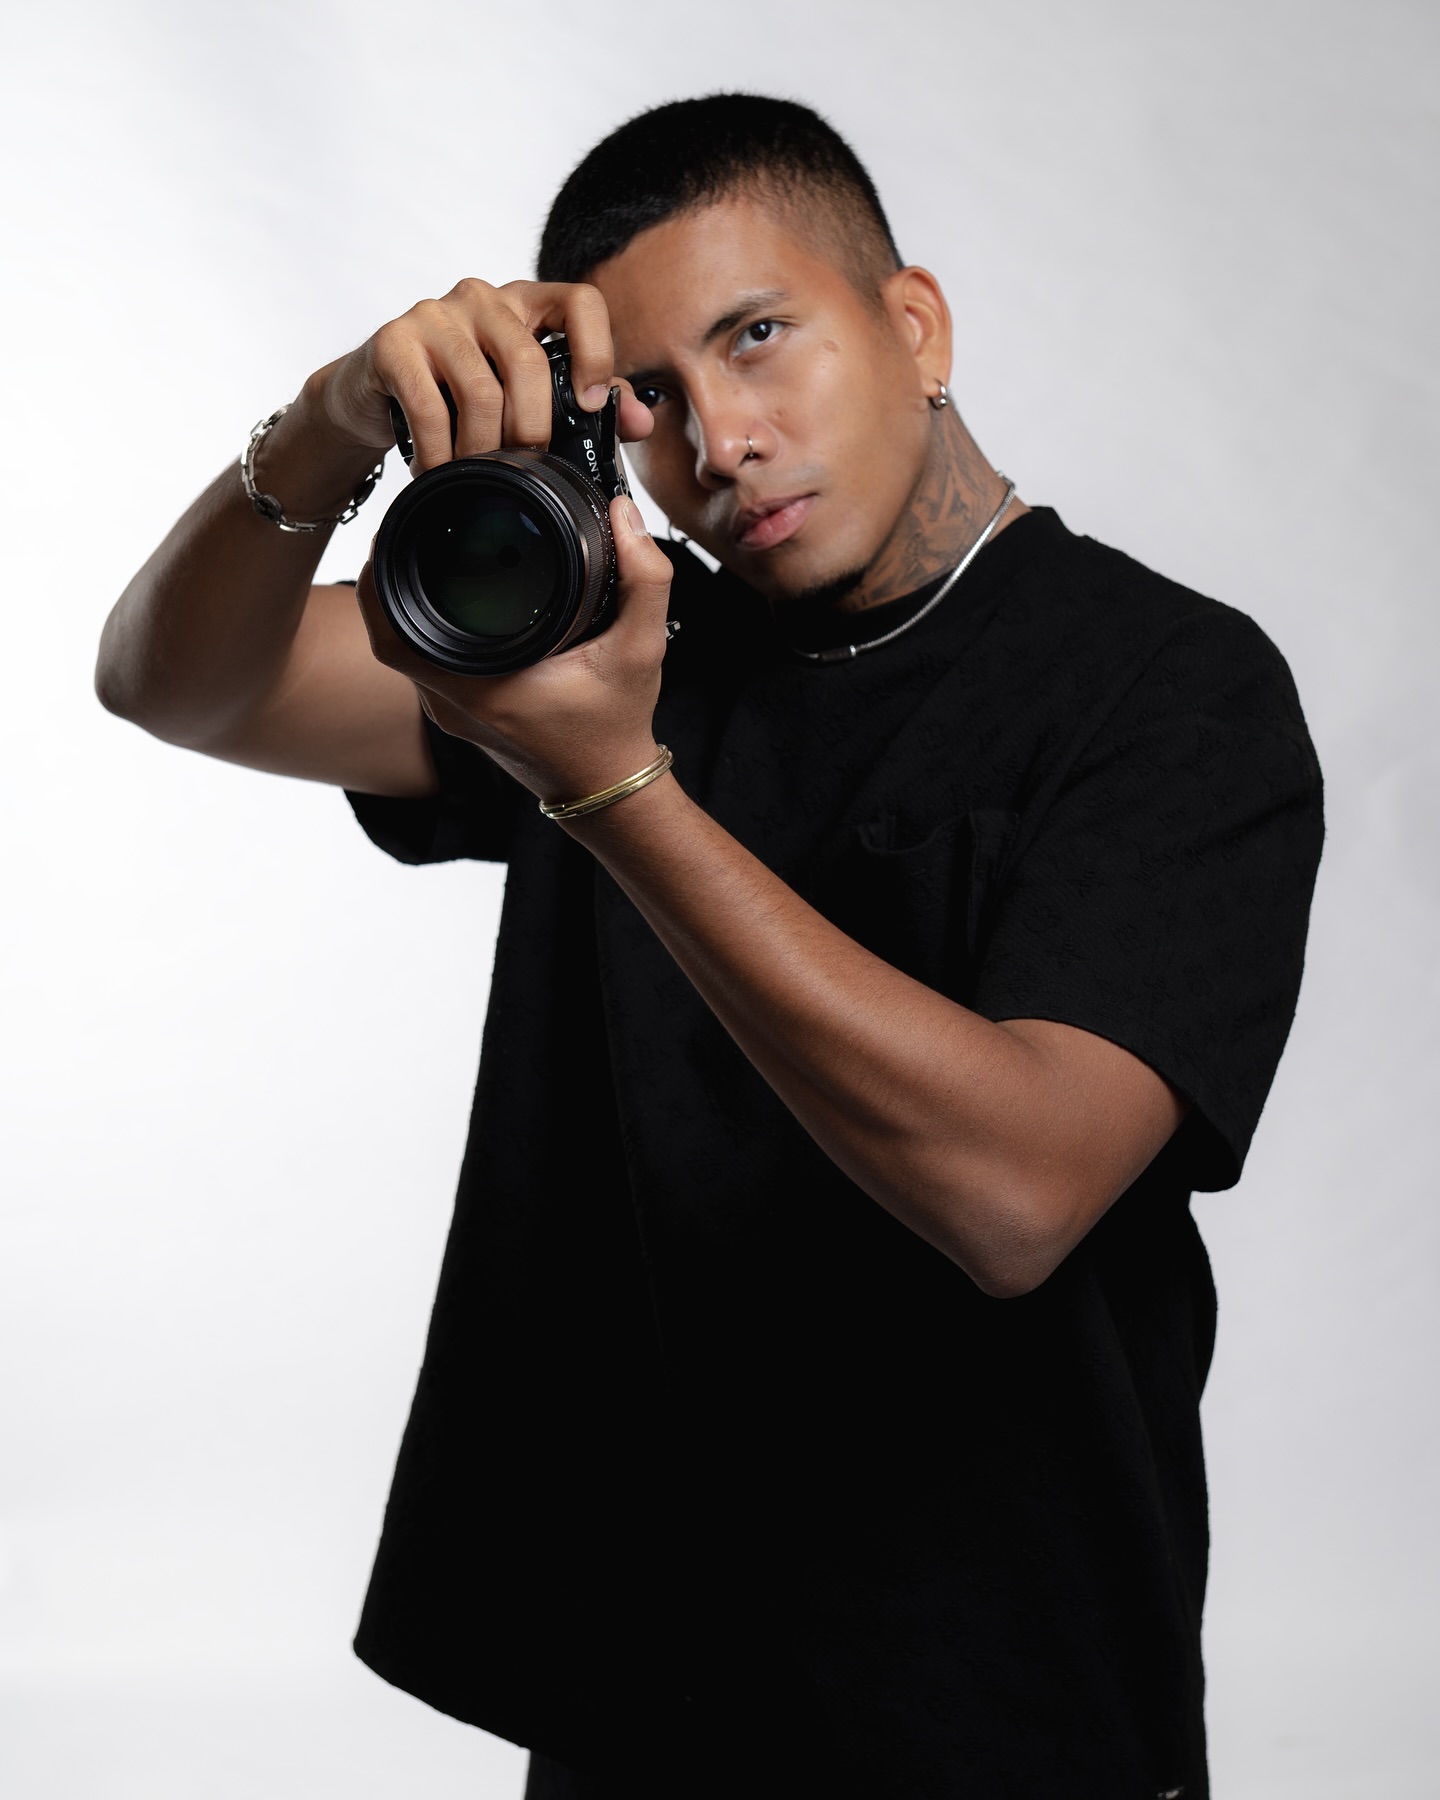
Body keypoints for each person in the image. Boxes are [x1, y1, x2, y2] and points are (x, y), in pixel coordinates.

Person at [96, 93, 1323, 1800]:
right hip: (638, 1698)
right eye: (652, 399)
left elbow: (1014, 1193)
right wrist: (329, 425)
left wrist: (610, 785)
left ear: (914, 325)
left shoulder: (1168, 687)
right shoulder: (606, 639)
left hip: (1002, 1701)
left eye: (759, 338)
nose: (722, 440)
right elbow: (173, 683)